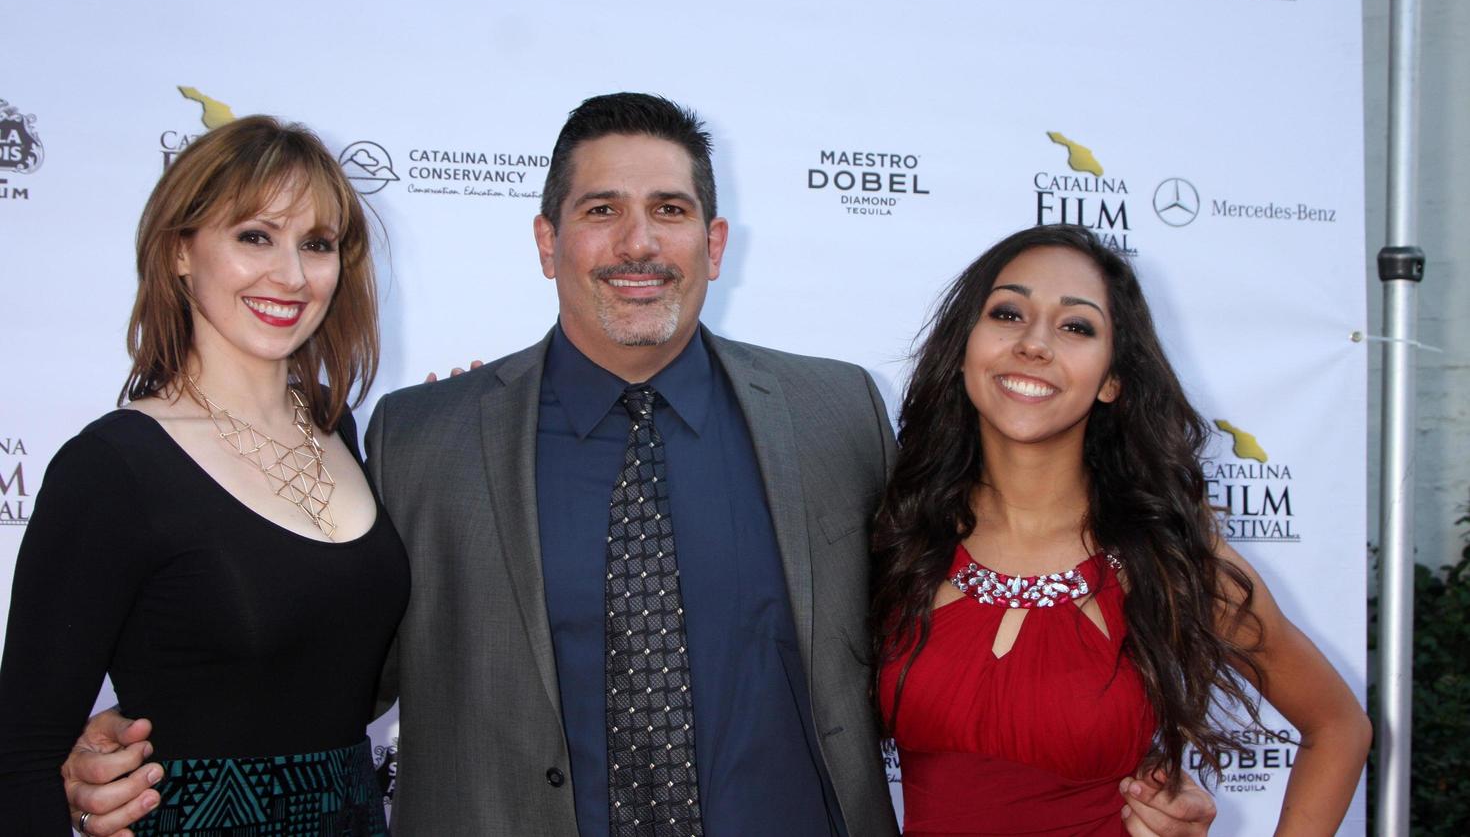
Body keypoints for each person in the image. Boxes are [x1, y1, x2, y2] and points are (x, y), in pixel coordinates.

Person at [60, 95, 1217, 836]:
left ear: (714, 244)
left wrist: (1108, 780)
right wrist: (114, 743)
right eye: (601, 208)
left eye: (670, 209)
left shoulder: (834, 415)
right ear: (547, 240)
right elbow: (324, 666)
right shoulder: (421, 436)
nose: (637, 240)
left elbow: (972, 596)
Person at [871, 224, 1373, 836]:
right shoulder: (897, 535)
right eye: (1008, 313)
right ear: (965, 349)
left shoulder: (1168, 558)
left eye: (1076, 327)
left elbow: (1338, 726)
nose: (1034, 343)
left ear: (1113, 378)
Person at [0, 116, 410, 836]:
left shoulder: (340, 432)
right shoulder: (116, 467)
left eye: (315, 244)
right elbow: (23, 759)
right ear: (181, 251)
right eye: (255, 236)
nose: (290, 274)